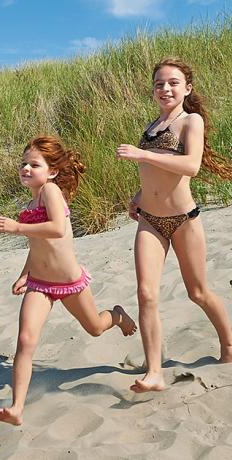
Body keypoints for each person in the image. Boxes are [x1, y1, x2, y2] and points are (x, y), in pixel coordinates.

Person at [0, 135, 137, 426]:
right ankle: (17, 407)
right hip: (40, 284)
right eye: (23, 164)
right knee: (25, 340)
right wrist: (25, 273)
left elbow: (58, 229)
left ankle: (118, 315)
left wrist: (17, 227)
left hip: (69, 282)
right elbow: (39, 245)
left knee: (95, 328)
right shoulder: (34, 197)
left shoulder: (50, 191)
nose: (26, 169)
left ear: (52, 171)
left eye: (34, 164)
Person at [116, 58, 232, 393]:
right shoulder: (152, 125)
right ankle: (155, 372)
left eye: (173, 83)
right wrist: (138, 195)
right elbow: (156, 175)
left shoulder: (189, 121)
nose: (165, 89)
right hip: (149, 220)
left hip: (184, 220)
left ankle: (227, 345)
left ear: (187, 88)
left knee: (198, 292)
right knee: (146, 293)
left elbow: (191, 165)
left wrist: (143, 155)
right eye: (159, 84)